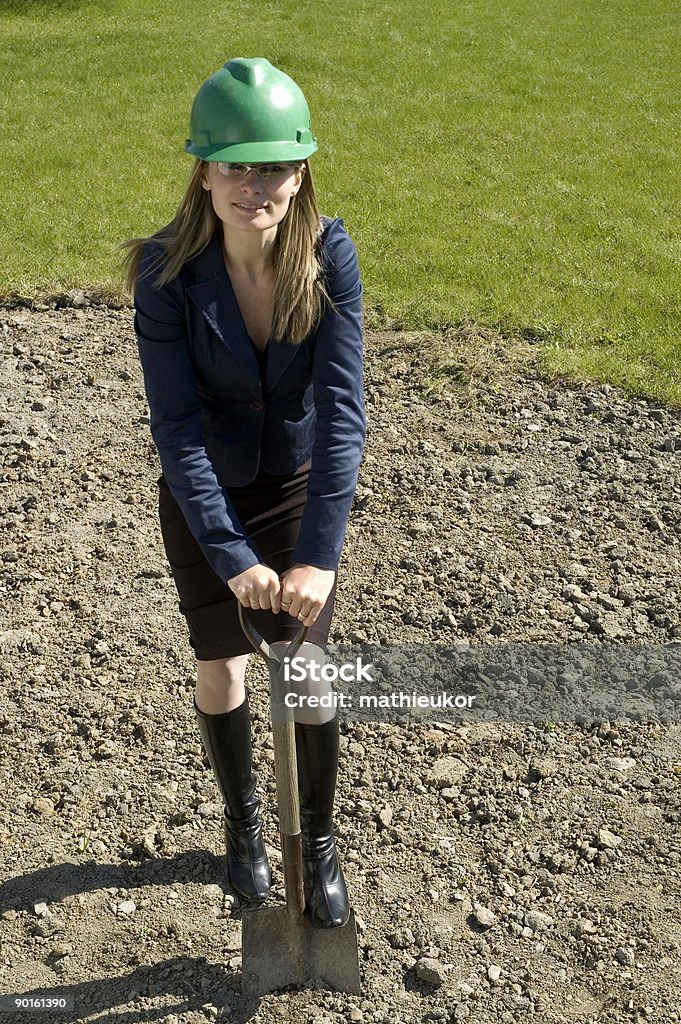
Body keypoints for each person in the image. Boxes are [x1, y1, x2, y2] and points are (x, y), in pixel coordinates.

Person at [124, 57, 365, 929]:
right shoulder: (163, 272)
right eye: (233, 164)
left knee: (308, 673)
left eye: (271, 166)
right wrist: (231, 558)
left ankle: (322, 842)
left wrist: (318, 560)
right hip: (204, 495)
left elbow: (342, 415)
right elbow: (176, 428)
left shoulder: (328, 255)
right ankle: (241, 830)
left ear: (301, 171)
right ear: (202, 169)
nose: (252, 185)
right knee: (221, 665)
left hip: (296, 482)